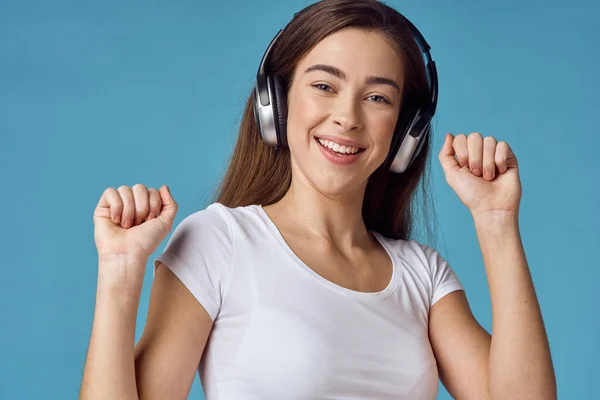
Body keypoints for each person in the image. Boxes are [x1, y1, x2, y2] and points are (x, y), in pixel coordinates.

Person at [80, 0, 557, 399]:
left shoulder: (423, 276)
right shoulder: (219, 242)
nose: (347, 117)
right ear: (276, 103)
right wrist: (120, 274)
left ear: (406, 133)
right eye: (325, 86)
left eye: (378, 98)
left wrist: (496, 221)